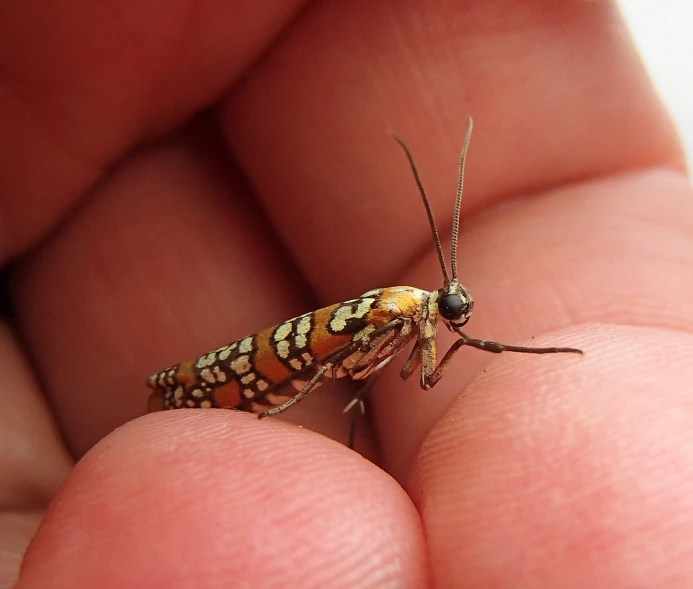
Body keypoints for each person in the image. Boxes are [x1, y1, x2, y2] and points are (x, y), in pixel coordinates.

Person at [4, 2, 692, 587]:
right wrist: (497, 350)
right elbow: (343, 359)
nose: (460, 321)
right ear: (441, 311)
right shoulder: (403, 311)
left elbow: (402, 372)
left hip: (308, 358)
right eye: (457, 316)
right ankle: (186, 389)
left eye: (460, 314)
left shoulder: (414, 315)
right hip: (259, 367)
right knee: (306, 374)